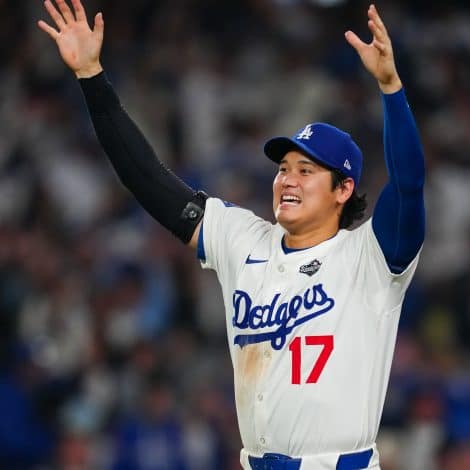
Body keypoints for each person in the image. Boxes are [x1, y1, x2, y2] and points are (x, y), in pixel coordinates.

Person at [38, 0, 425, 468]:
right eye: (284, 169)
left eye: (306, 170)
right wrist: (92, 78)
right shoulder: (243, 239)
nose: (288, 180)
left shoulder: (371, 257)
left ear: (344, 189)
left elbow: (408, 183)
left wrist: (390, 87)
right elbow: (148, 180)